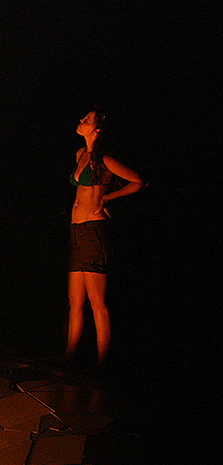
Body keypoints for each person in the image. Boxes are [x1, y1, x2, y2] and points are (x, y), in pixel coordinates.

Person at [64, 109, 145, 368]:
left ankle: (102, 362)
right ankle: (69, 355)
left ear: (97, 130)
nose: (80, 121)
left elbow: (137, 181)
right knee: (75, 299)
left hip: (94, 230)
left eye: (86, 120)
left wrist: (108, 198)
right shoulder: (81, 154)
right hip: (77, 230)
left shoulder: (104, 159)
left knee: (97, 302)